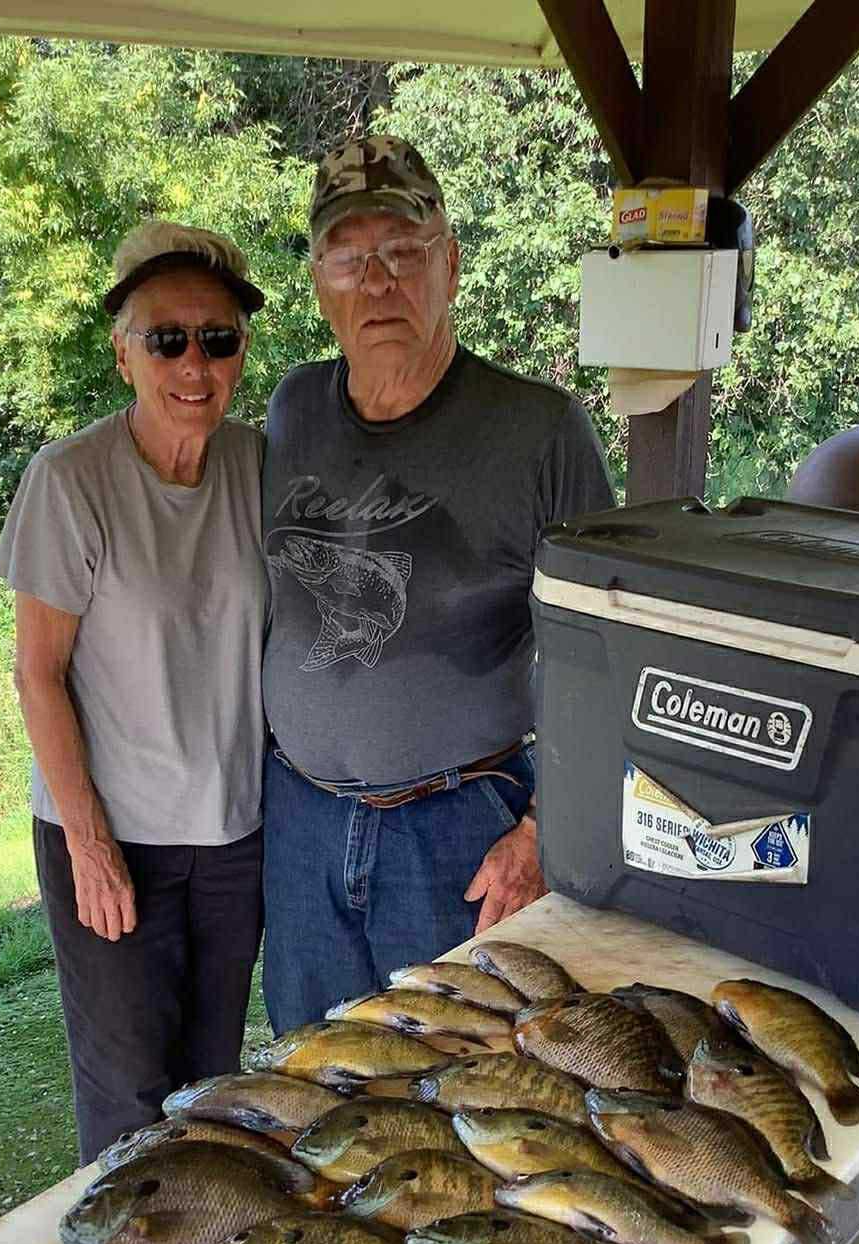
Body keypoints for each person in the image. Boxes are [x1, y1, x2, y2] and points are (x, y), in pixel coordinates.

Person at [260, 134, 614, 1034]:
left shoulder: (540, 431)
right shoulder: (292, 409)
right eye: (350, 259)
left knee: (465, 1090)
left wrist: (545, 831)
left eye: (403, 254)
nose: (377, 282)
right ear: (319, 283)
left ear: (450, 264)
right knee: (314, 1077)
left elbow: (609, 656)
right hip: (300, 824)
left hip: (458, 835)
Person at [0, 221, 268, 1166]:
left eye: (218, 338)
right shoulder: (69, 481)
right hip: (115, 840)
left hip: (232, 837)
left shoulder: (261, 466)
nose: (194, 363)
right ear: (123, 354)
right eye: (167, 339)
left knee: (214, 1088)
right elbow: (38, 674)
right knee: (129, 1101)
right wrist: (91, 847)